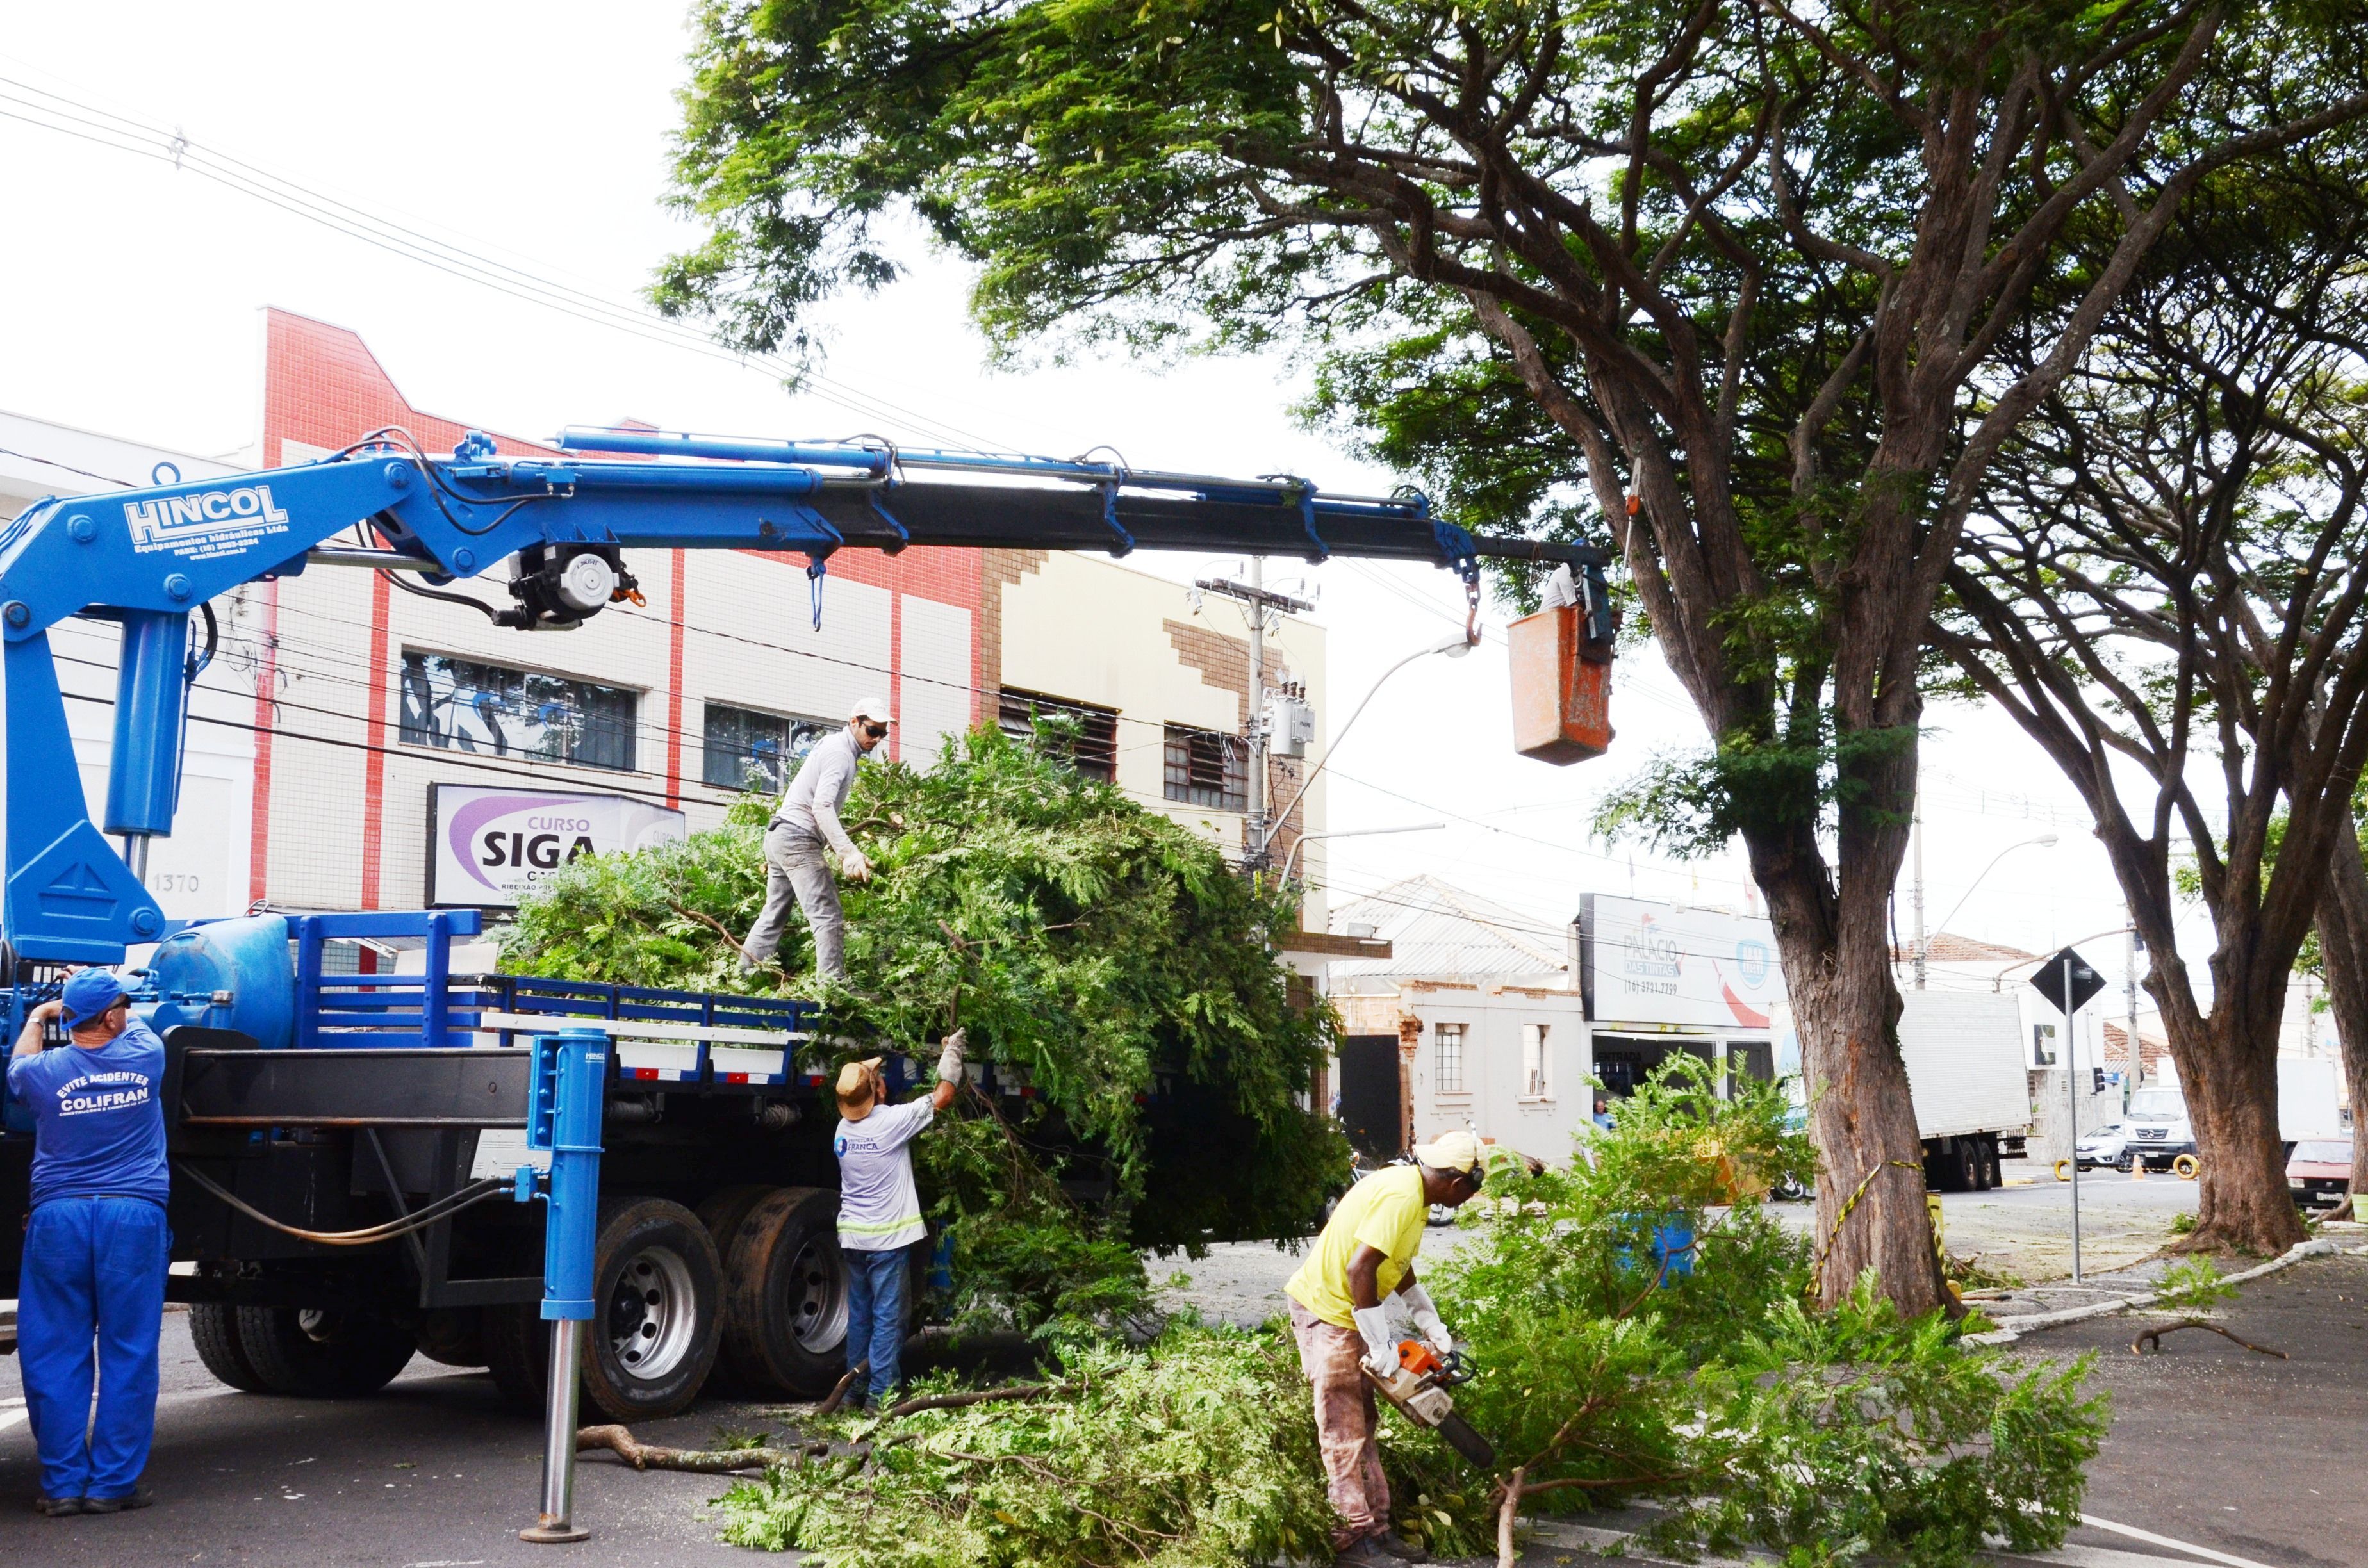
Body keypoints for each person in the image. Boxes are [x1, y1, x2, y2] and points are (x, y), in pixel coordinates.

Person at [8, 969, 171, 1517]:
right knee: (129, 1350)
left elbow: (17, 1066)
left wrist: (38, 1015)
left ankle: (61, 1487)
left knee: (53, 1350)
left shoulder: (44, 1072)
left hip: (59, 1218)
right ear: (113, 1017)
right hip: (133, 1215)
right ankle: (111, 1486)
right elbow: (143, 1017)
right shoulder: (147, 1054)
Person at [1284, 1130, 1486, 1564]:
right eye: (1471, 1192)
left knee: (1363, 1423)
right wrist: (1380, 1341)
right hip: (1327, 1312)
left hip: (1346, 1310)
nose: (1467, 1201)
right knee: (1342, 1432)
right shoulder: (1400, 1196)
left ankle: (1376, 1527)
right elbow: (1361, 1267)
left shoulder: (1414, 1195)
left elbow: (1396, 1263)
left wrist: (1426, 1317)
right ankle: (1352, 1541)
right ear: (1457, 1182)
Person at [832, 1029, 964, 1410]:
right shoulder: (889, 1124)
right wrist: (951, 1055)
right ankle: (881, 1396)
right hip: (886, 1243)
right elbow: (943, 1096)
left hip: (855, 1240)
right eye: (877, 1080)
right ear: (877, 1093)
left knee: (860, 1317)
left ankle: (852, 1392)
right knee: (889, 1318)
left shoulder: (843, 1131)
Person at [740, 696, 892, 982]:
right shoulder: (840, 753)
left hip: (781, 835)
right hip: (797, 838)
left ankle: (742, 980)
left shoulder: (835, 747)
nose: (877, 739)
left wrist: (838, 848)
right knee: (827, 914)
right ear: (854, 723)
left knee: (773, 914)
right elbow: (821, 807)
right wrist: (848, 852)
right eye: (873, 731)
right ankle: (833, 988)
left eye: (882, 733)